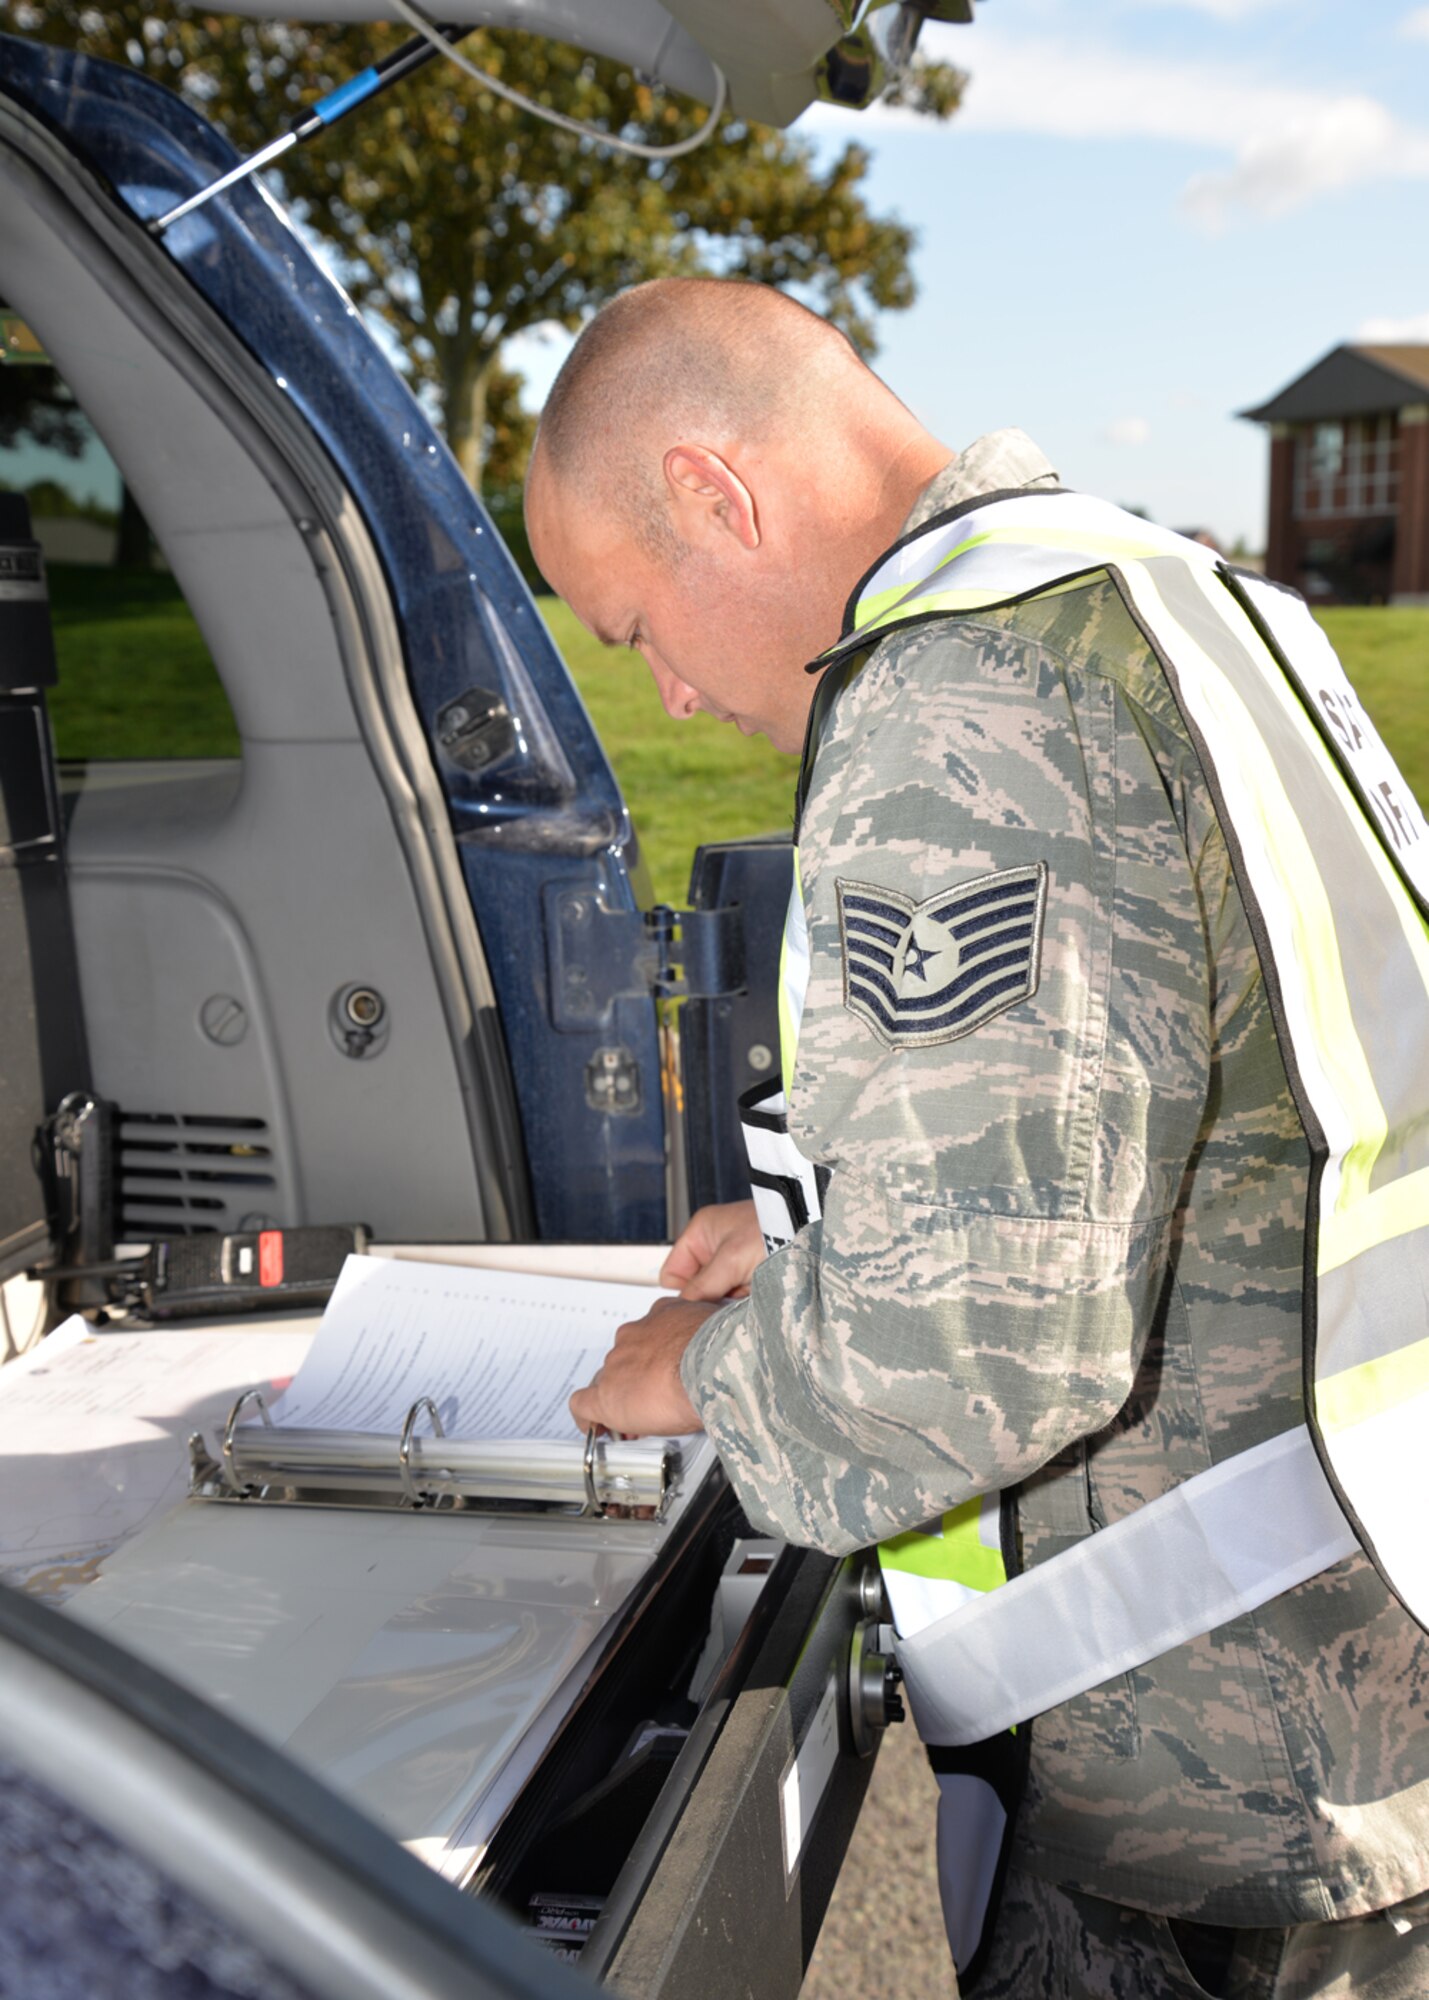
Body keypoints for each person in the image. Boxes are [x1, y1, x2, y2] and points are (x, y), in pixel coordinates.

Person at [523, 277, 1429, 1997]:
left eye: (635, 629)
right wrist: (808, 1248)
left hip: (1216, 1798)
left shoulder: (960, 706)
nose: (675, 708)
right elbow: (1205, 1114)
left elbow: (975, 1347)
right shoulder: (1176, 598)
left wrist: (702, 1372)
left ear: (718, 496)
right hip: (1348, 1672)